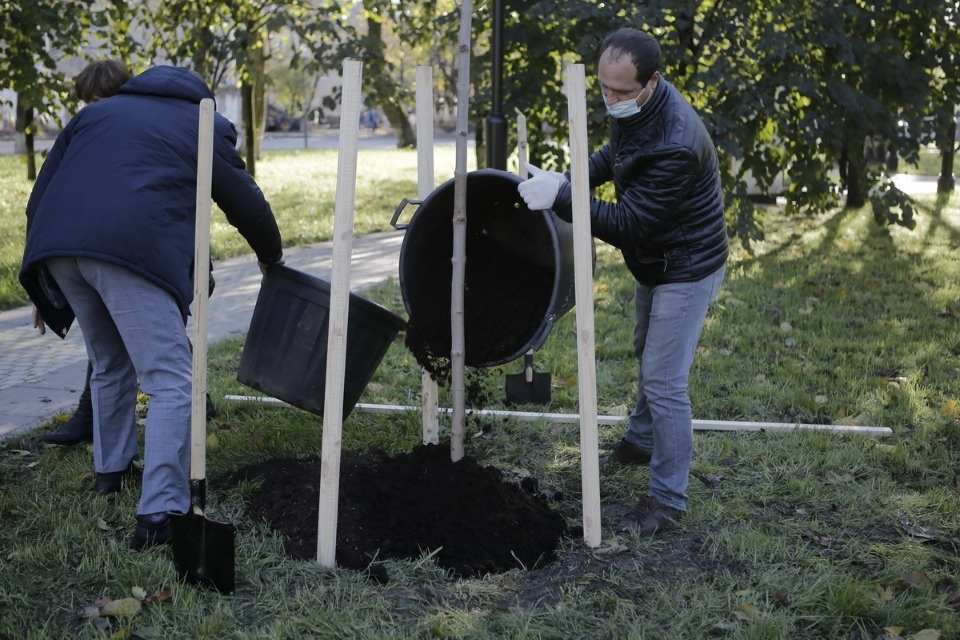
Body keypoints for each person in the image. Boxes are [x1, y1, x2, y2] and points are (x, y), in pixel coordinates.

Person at [21, 65, 284, 550]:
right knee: (171, 379)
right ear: (202, 96)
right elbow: (244, 201)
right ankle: (160, 514)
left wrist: (40, 280)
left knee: (108, 363)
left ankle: (111, 472)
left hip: (59, 250)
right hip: (127, 250)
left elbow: (40, 197)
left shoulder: (95, 115)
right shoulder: (203, 121)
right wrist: (271, 258)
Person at [518, 27, 727, 537]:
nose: (610, 100)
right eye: (604, 89)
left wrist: (564, 197)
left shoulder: (676, 143)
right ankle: (640, 441)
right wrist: (569, 179)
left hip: (687, 266)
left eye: (621, 91)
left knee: (664, 379)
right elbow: (614, 157)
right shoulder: (634, 109)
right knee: (645, 351)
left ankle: (667, 499)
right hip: (656, 261)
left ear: (652, 82)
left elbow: (630, 223)